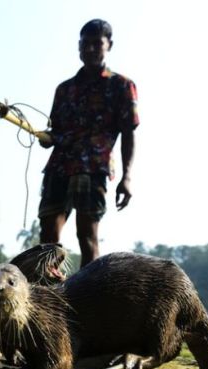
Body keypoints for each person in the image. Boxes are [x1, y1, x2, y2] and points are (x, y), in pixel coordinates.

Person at [37, 19, 139, 268]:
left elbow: (129, 132)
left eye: (97, 44)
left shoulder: (121, 86)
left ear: (109, 46)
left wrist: (127, 177)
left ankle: (86, 297)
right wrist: (45, 138)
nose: (91, 49)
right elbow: (56, 132)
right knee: (47, 237)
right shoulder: (65, 89)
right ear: (79, 47)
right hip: (59, 167)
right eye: (86, 44)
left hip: (93, 167)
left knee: (87, 235)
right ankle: (46, 294)